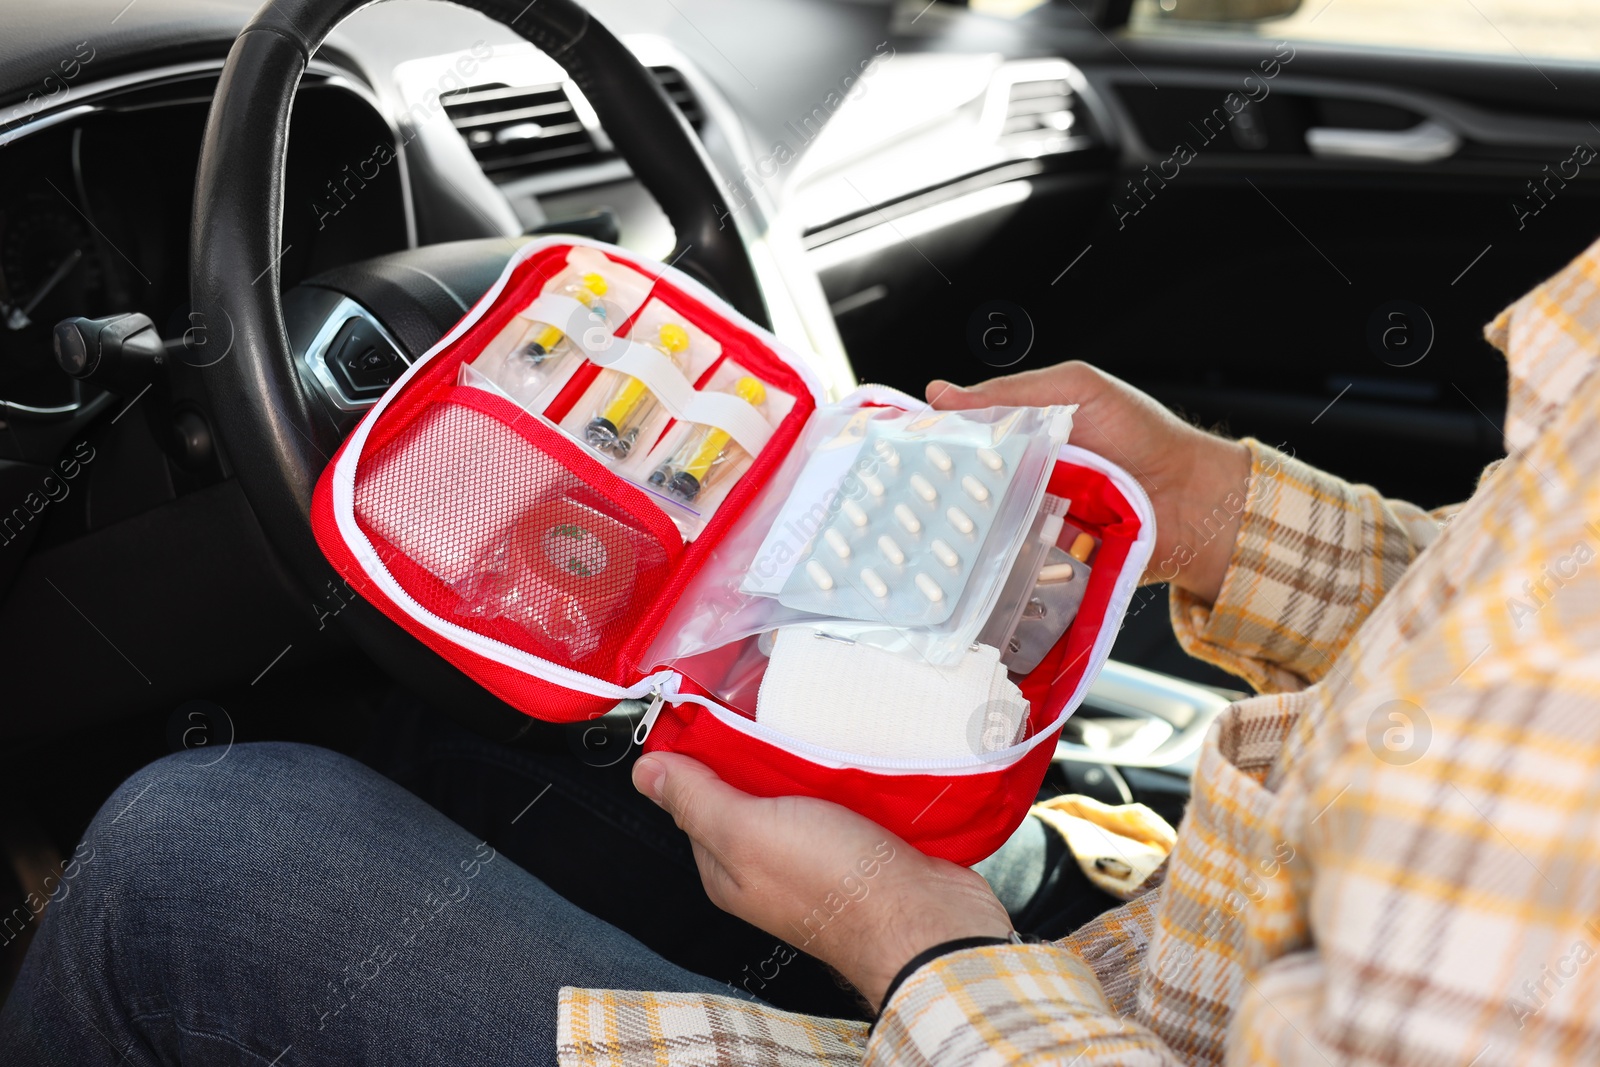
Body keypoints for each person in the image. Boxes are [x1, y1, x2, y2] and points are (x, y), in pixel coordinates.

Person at [4, 236, 1599, 1066]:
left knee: (191, 859)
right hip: (1163, 952)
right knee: (437, 740)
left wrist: (905, 937)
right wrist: (1202, 501)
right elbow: (1505, 578)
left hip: (1022, 1019)